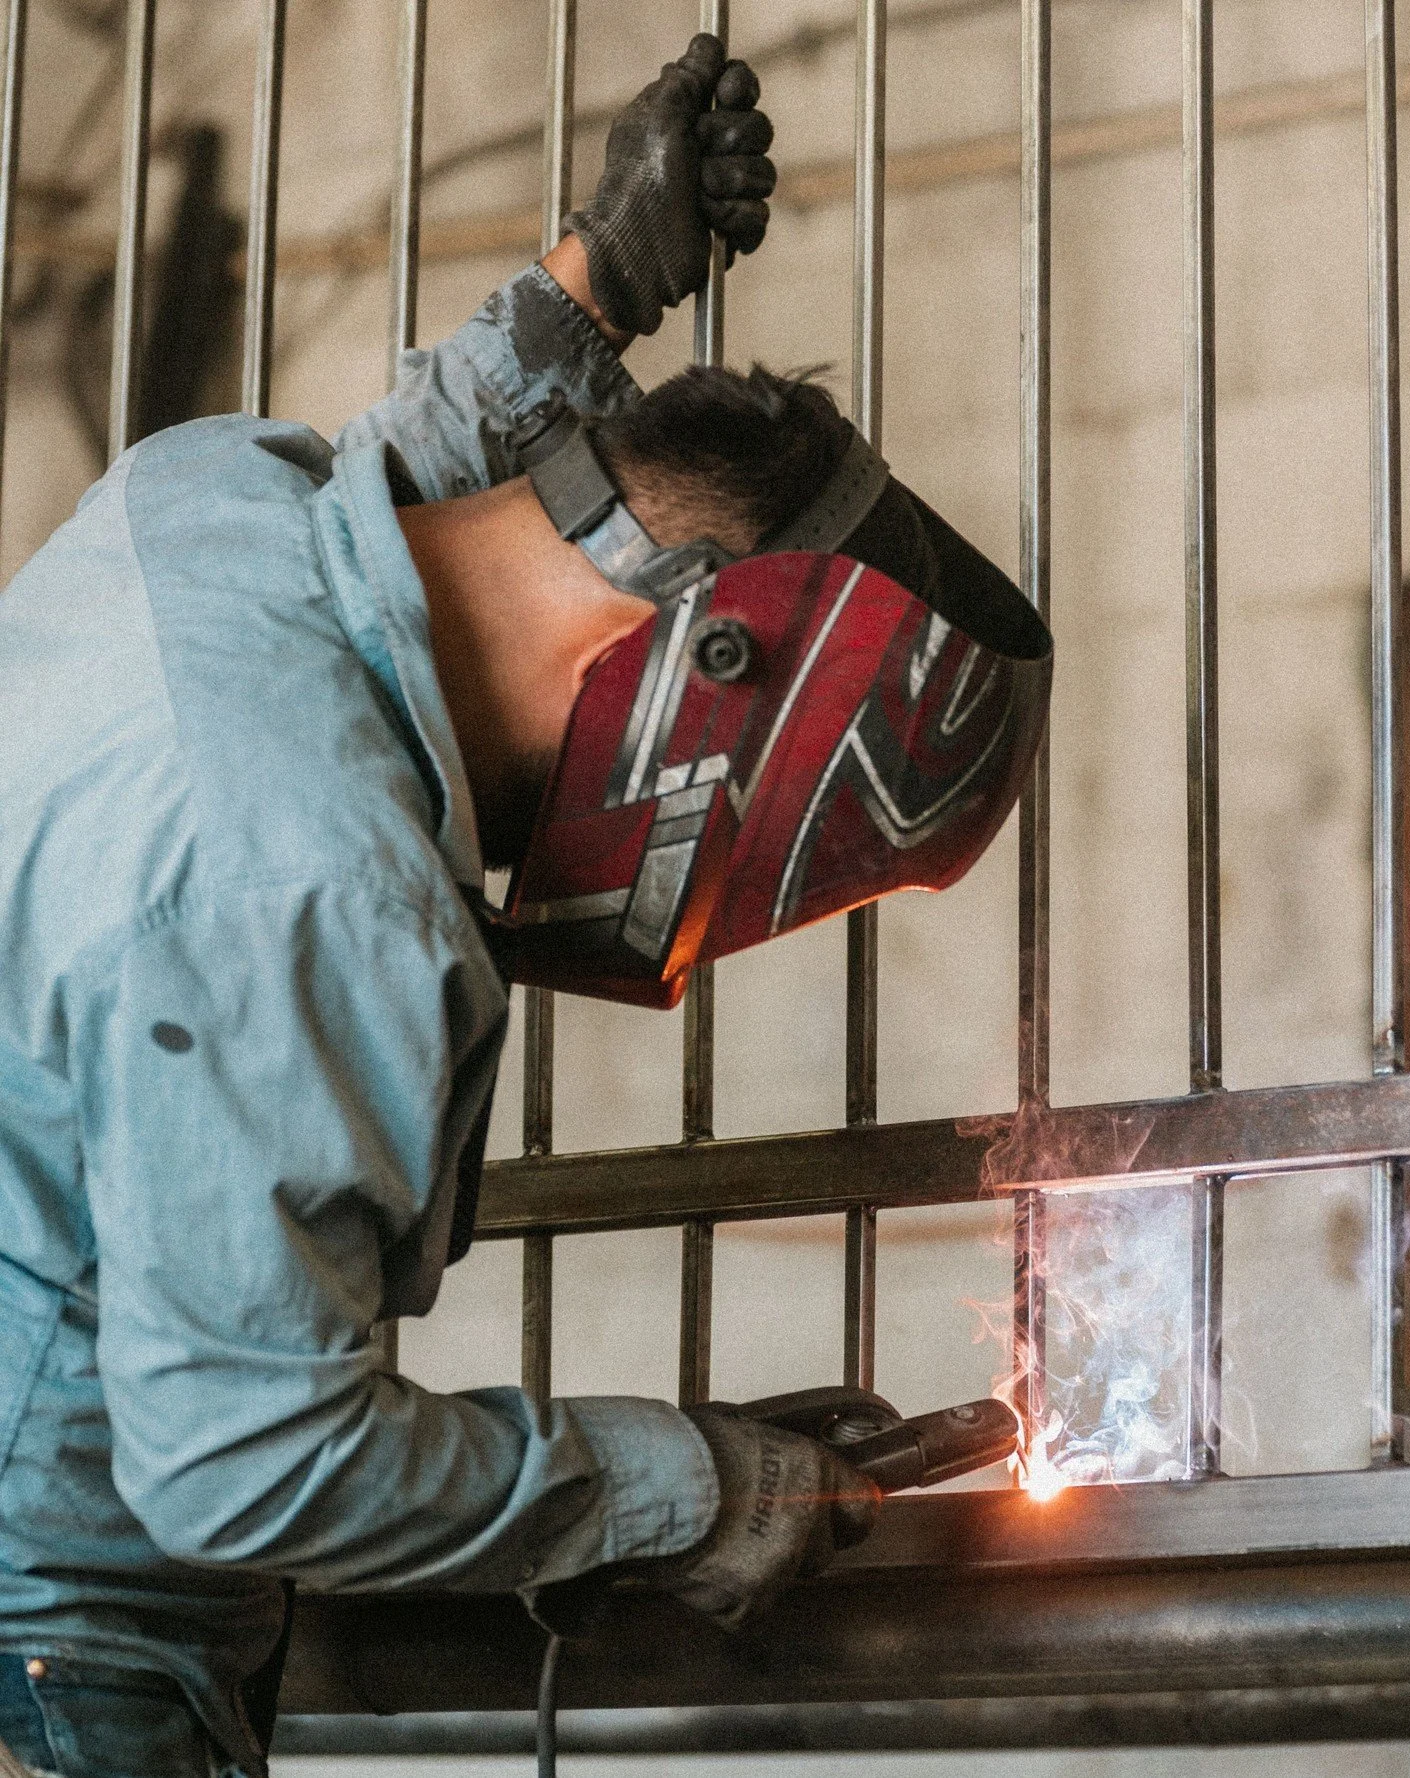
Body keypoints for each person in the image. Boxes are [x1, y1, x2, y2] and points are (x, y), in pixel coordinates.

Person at [0, 32, 1051, 1778]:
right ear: (700, 678)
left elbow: (403, 501)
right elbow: (238, 1458)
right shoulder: (316, 877)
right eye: (741, 887)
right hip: (51, 1668)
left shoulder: (189, 510)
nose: (699, 939)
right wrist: (678, 1486)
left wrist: (598, 277)